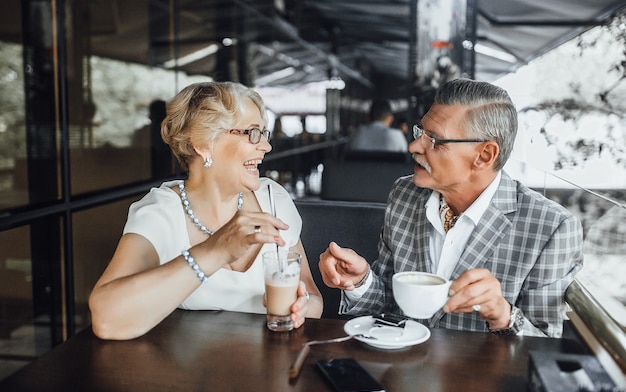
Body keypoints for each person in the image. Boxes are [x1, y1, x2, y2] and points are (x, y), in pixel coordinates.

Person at [319, 78, 583, 337]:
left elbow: (544, 345)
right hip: (400, 370)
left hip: (481, 377)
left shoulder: (552, 228)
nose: (413, 146)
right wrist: (360, 281)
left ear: (484, 155)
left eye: (435, 140)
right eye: (420, 132)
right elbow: (389, 302)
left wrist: (504, 315)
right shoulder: (404, 194)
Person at [89, 81, 323, 340]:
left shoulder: (273, 198)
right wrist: (215, 251)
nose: (266, 147)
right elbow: (106, 319)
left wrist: (302, 308)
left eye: (263, 134)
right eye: (252, 133)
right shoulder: (161, 213)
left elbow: (312, 298)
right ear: (202, 142)